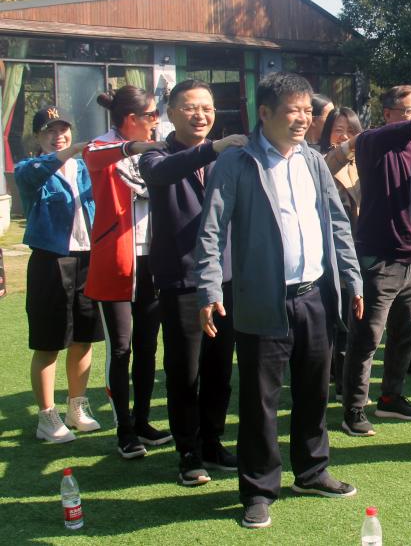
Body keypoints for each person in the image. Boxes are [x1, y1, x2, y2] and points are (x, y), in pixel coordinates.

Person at [193, 72, 364, 529]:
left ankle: (312, 471)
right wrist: (209, 288)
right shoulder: (237, 162)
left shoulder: (312, 160)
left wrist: (352, 277)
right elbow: (210, 231)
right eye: (293, 111)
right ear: (265, 113)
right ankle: (258, 489)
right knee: (260, 400)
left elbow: (337, 222)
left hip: (315, 295)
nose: (303, 119)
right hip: (262, 299)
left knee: (314, 390)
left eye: (308, 110)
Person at [139, 80, 247, 485]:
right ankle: (188, 452)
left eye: (207, 107)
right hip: (181, 280)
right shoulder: (155, 155)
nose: (200, 115)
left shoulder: (228, 158)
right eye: (190, 107)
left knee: (219, 368)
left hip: (225, 277)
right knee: (184, 370)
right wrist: (213, 149)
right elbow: (164, 173)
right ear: (170, 112)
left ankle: (212, 441)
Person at [340, 86, 411, 437]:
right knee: (366, 339)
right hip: (379, 259)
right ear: (387, 113)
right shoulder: (371, 141)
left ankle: (390, 398)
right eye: (408, 111)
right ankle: (354, 408)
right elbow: (399, 132)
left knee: (406, 334)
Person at [83, 86, 170, 459]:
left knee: (148, 346)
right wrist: (139, 147)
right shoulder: (101, 147)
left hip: (153, 260)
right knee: (121, 348)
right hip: (116, 265)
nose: (156, 121)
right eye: (151, 115)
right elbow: (96, 156)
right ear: (132, 119)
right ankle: (124, 429)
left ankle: (142, 421)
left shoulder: (157, 150)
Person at [16, 107, 102, 443]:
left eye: (63, 130)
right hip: (51, 262)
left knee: (84, 338)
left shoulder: (84, 169)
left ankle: (76, 408)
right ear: (38, 137)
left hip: (87, 260)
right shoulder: (30, 169)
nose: (58, 136)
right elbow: (35, 173)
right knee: (49, 341)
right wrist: (72, 150)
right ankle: (46, 416)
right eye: (50, 131)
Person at [320, 106, 363, 405]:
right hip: (332, 255)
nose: (345, 136)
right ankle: (332, 379)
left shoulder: (363, 164)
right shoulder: (319, 160)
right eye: (338, 130)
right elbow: (331, 163)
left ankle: (343, 381)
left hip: (360, 251)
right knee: (335, 321)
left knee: (353, 319)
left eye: (351, 131)